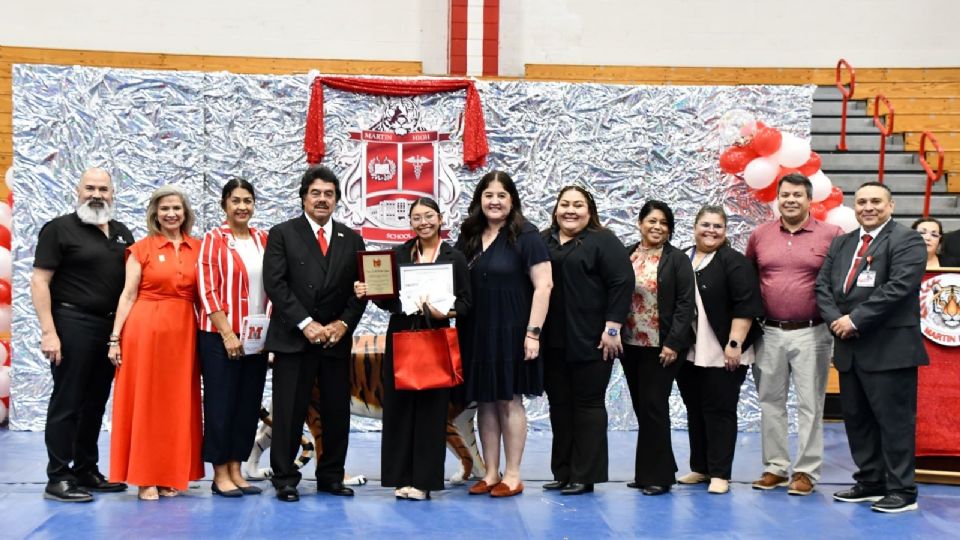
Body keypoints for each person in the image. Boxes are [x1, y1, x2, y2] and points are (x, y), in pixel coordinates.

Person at [816, 182, 929, 513]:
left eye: (876, 201)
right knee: (858, 421)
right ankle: (870, 482)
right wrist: (837, 319)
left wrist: (854, 320)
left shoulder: (906, 240)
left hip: (890, 349)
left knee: (894, 423)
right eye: (862, 201)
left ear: (891, 205)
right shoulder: (843, 243)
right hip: (850, 350)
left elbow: (899, 287)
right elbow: (823, 286)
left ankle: (902, 490)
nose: (868, 207)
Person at [353, 197, 471, 501]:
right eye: (416, 217)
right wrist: (369, 292)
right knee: (399, 409)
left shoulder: (454, 257)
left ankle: (424, 482)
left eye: (429, 216)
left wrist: (447, 312)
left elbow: (467, 303)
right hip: (402, 335)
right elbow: (389, 300)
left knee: (432, 413)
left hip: (436, 337)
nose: (423, 222)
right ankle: (400, 478)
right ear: (410, 222)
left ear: (440, 219)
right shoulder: (399, 254)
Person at [262, 165, 367, 503]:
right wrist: (306, 323)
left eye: (329, 194)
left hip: (335, 341)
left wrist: (344, 324)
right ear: (304, 197)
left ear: (337, 199)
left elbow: (360, 291)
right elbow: (275, 284)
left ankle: (332, 476)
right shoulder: (282, 233)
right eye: (316, 193)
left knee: (337, 412)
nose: (322, 200)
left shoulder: (351, 238)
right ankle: (285, 478)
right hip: (295, 339)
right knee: (289, 412)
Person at [31, 167, 134, 502]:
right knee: (68, 402)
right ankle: (58, 477)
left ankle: (86, 470)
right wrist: (49, 332)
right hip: (72, 323)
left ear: (112, 193)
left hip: (109, 329)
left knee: (94, 403)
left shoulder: (121, 233)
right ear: (78, 190)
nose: (97, 194)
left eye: (103, 189)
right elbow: (39, 281)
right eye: (90, 188)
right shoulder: (59, 229)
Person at [455, 170, 552, 498]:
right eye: (488, 195)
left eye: (501, 196)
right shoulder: (468, 235)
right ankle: (491, 472)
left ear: (512, 201)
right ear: (479, 200)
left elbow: (544, 286)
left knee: (510, 400)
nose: (494, 202)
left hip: (513, 330)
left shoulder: (527, 236)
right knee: (485, 401)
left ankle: (513, 474)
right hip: (475, 330)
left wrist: (533, 334)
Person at [745, 174, 842, 496]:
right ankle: (774, 466)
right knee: (770, 402)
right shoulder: (760, 235)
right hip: (769, 332)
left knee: (810, 404)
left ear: (809, 199)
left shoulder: (831, 234)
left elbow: (841, 282)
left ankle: (805, 471)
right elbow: (748, 281)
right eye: (784, 194)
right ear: (777, 198)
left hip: (812, 332)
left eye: (797, 195)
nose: (789, 200)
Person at [108, 185, 204, 501]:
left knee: (176, 403)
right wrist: (115, 338)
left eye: (176, 208)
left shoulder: (199, 248)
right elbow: (127, 294)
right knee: (146, 403)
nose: (171, 214)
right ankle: (144, 476)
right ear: (155, 214)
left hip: (183, 332)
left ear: (185, 213)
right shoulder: (141, 249)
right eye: (164, 209)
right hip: (144, 331)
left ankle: (169, 475)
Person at [540, 186, 633, 496]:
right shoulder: (543, 241)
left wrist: (612, 328)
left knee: (588, 406)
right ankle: (563, 471)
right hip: (552, 341)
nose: (570, 210)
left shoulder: (604, 241)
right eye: (564, 204)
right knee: (559, 407)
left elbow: (622, 282)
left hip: (593, 340)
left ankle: (585, 475)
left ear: (590, 210)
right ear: (555, 210)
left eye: (578, 205)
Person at [676, 205, 763, 495]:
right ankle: (700, 467)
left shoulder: (734, 262)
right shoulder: (683, 257)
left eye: (718, 226)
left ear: (725, 231)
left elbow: (745, 305)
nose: (711, 231)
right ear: (695, 226)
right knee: (695, 409)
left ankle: (720, 473)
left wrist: (734, 344)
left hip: (724, 350)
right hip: (689, 351)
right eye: (706, 225)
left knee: (719, 410)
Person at [197, 179, 270, 497]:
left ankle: (237, 468)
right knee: (221, 403)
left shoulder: (263, 239)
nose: (242, 207)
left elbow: (276, 285)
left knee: (247, 404)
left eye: (248, 201)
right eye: (236, 201)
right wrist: (227, 333)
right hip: (220, 336)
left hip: (256, 336)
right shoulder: (213, 240)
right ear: (224, 205)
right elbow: (207, 290)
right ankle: (219, 472)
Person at [620, 200, 695, 496]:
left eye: (664, 223)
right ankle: (648, 472)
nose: (657, 227)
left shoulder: (676, 260)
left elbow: (685, 305)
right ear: (640, 223)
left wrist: (673, 343)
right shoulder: (628, 254)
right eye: (652, 221)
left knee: (654, 405)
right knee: (644, 408)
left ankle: (659, 477)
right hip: (630, 344)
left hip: (661, 347)